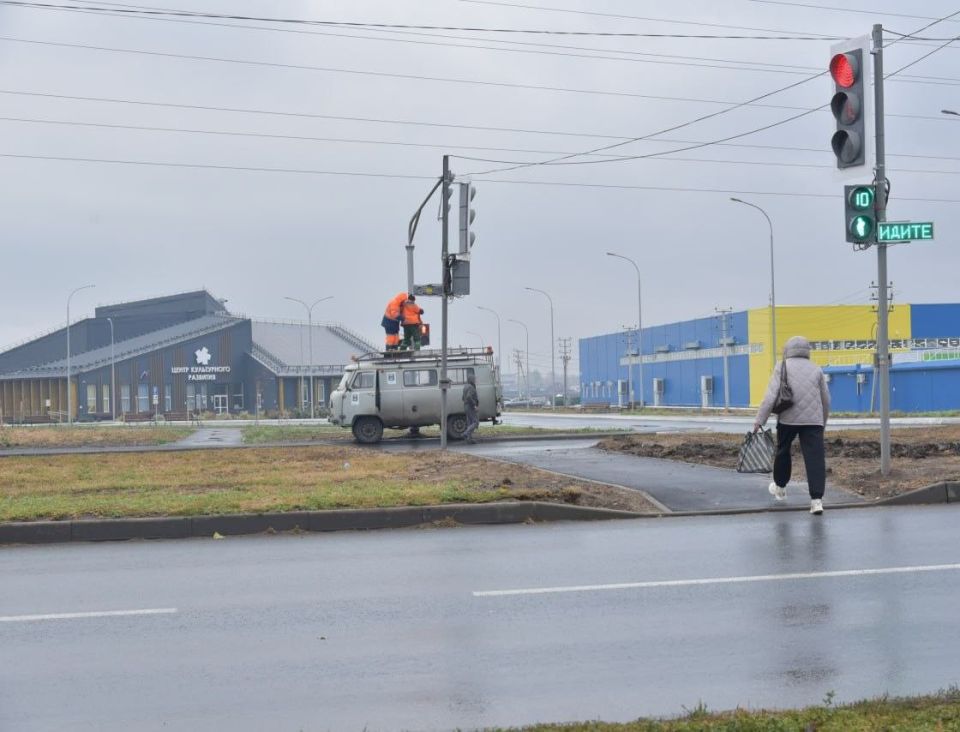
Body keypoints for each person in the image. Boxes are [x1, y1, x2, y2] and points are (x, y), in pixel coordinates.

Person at [754, 335, 831, 515]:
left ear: (787, 350)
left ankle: (780, 488)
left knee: (783, 451)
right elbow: (826, 400)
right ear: (807, 351)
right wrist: (823, 422)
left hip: (788, 419)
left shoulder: (781, 367)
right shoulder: (816, 369)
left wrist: (760, 420)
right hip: (813, 422)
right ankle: (816, 500)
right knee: (815, 459)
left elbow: (770, 396)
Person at [462, 372, 480, 443]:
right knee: (475, 422)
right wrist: (474, 405)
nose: (475, 380)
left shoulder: (465, 386)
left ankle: (469, 439)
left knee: (470, 423)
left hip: (466, 406)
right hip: (470, 406)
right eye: (474, 379)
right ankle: (465, 433)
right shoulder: (471, 387)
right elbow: (468, 397)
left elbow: (463, 398)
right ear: (471, 380)